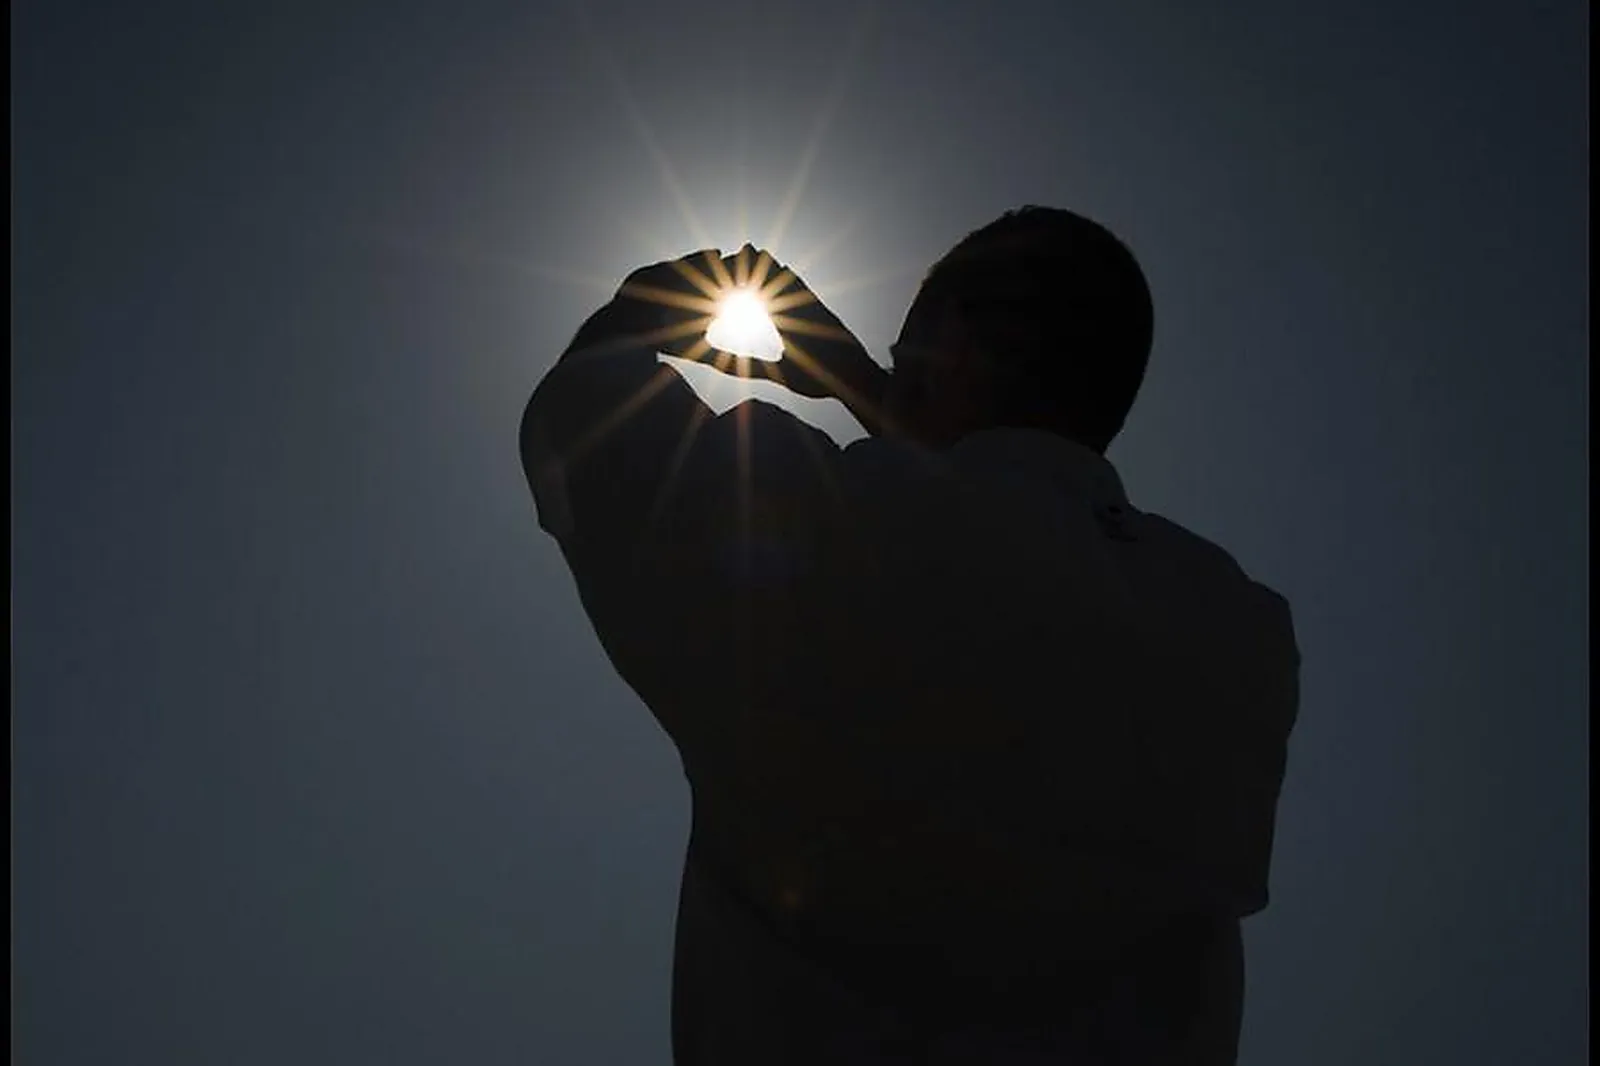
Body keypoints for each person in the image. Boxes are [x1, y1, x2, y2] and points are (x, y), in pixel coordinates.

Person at [519, 207, 1300, 1064]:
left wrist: (644, 305)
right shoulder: (1240, 634)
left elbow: (587, 424)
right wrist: (887, 392)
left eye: (908, 341)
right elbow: (1001, 544)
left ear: (956, 343)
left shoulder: (824, 528)